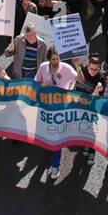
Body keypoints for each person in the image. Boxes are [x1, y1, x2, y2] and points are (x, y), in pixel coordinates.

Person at [35, 47, 78, 181]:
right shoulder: (43, 67)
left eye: (58, 58)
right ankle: (50, 150)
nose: (56, 61)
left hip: (60, 110)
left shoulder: (66, 68)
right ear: (49, 59)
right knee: (49, 134)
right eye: (53, 59)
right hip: (46, 108)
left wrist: (77, 65)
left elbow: (80, 79)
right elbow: (35, 83)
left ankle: (55, 166)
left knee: (57, 138)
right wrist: (42, 86)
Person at [73, 51, 106, 165]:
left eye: (96, 69)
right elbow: (74, 81)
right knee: (83, 126)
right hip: (79, 105)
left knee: (92, 129)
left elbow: (98, 97)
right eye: (91, 69)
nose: (93, 72)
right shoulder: (82, 70)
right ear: (88, 65)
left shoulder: (101, 77)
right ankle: (86, 145)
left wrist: (97, 90)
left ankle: (92, 151)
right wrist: (76, 64)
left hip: (92, 108)